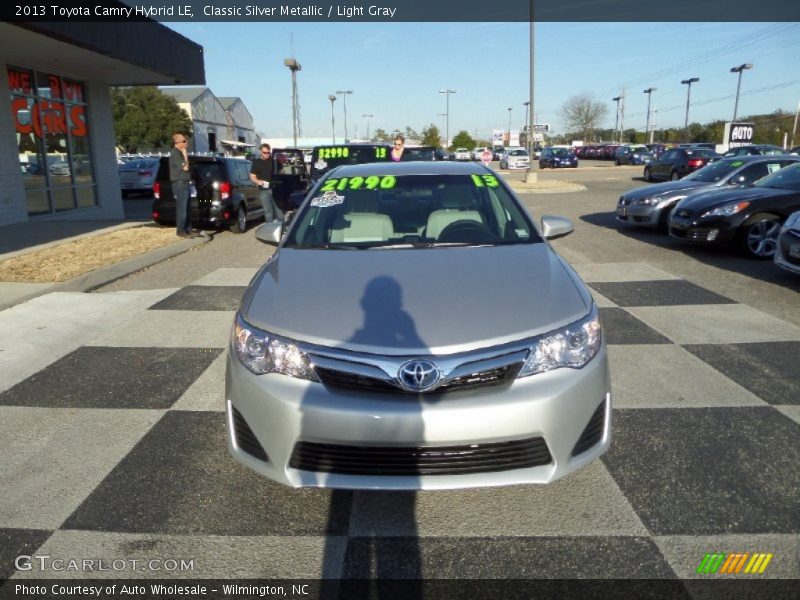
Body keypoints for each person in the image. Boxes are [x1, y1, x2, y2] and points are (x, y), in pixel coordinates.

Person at [169, 133, 197, 237]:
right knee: (182, 209)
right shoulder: (176, 153)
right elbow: (185, 168)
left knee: (187, 208)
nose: (186, 143)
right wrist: (185, 155)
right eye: (184, 141)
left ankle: (188, 229)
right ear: (178, 143)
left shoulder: (179, 153)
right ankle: (181, 230)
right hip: (180, 184)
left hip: (185, 183)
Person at [250, 143, 283, 222]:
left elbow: (282, 172)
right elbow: (252, 176)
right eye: (265, 152)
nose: (267, 154)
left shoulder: (275, 161)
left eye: (268, 152)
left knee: (279, 211)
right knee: (268, 212)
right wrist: (258, 181)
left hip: (276, 189)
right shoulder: (256, 162)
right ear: (261, 152)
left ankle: (283, 230)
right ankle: (269, 231)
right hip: (263, 190)